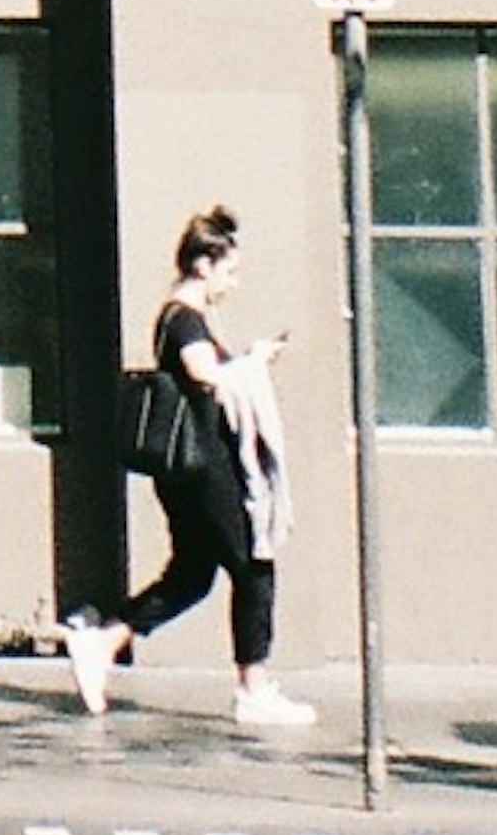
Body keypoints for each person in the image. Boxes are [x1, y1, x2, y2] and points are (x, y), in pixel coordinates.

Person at [67, 204, 315, 735]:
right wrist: (254, 359)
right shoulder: (183, 319)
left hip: (188, 469)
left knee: (193, 573)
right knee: (253, 564)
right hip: (203, 467)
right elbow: (206, 376)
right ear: (203, 265)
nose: (233, 283)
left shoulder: (184, 318)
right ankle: (253, 688)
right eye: (230, 271)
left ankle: (105, 641)